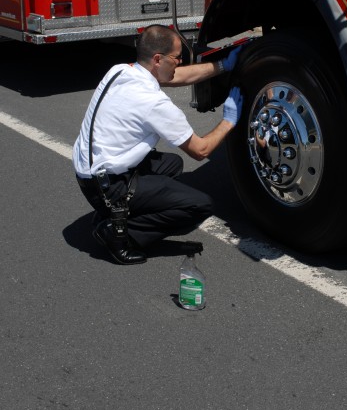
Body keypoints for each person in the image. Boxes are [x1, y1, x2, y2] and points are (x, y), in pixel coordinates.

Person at [73, 24, 243, 265]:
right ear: (157, 59)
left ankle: (114, 213)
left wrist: (223, 65)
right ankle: (121, 232)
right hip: (108, 186)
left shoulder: (121, 71)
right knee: (200, 205)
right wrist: (228, 121)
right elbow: (200, 150)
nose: (180, 62)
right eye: (177, 58)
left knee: (172, 164)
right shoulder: (154, 103)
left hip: (90, 174)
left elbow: (177, 77)